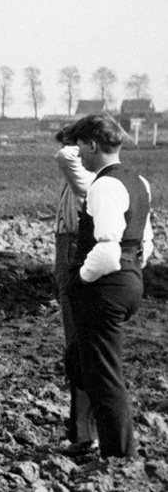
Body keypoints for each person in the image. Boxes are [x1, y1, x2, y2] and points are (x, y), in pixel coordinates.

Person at [63, 114, 155, 467]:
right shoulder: (139, 182)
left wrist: (79, 280)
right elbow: (145, 239)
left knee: (105, 377)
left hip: (105, 285)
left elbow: (106, 250)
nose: (77, 155)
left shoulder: (104, 186)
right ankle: (93, 437)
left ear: (93, 145)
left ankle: (119, 456)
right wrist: (131, 274)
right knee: (80, 361)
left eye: (80, 147)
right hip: (129, 281)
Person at [52, 125, 96, 456]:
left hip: (73, 257)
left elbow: (66, 156)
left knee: (80, 351)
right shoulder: (76, 183)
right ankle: (81, 431)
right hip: (65, 254)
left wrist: (79, 143)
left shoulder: (87, 181)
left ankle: (86, 435)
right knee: (76, 351)